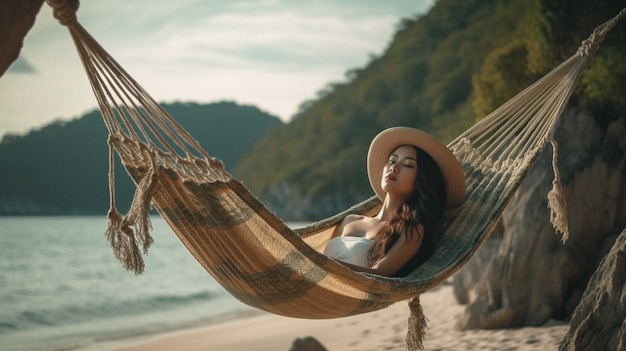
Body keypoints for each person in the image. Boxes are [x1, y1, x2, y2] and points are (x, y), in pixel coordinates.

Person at [323, 127, 466, 277]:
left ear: (421, 180)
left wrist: (323, 264)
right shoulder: (349, 220)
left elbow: (380, 275)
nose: (394, 168)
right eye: (392, 160)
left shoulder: (411, 228)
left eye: (408, 165)